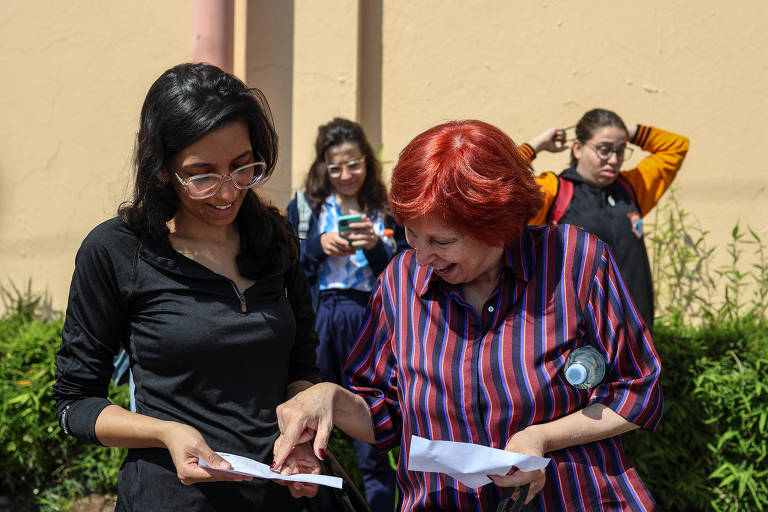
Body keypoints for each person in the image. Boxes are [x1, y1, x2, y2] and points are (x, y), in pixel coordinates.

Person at [272, 120, 664, 511]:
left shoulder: (575, 260)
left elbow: (638, 390)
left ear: (498, 225)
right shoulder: (401, 280)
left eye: (442, 241)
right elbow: (387, 417)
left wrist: (542, 438)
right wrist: (329, 398)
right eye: (410, 234)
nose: (423, 257)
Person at [52, 63, 322, 510]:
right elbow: (74, 402)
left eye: (242, 167)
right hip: (172, 497)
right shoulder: (116, 250)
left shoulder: (276, 237)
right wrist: (165, 431)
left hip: (278, 497)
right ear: (162, 170)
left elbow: (302, 366)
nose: (227, 191)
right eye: (202, 175)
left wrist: (300, 433)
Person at [286, 117, 407, 512]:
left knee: (369, 426)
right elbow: (288, 268)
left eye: (353, 164)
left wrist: (374, 246)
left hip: (368, 319)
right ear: (323, 167)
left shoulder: (387, 207)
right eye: (334, 167)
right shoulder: (306, 206)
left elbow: (403, 270)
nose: (345, 174)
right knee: (309, 428)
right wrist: (319, 245)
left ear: (367, 163)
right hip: (320, 317)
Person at [520, 109, 690, 328]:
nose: (614, 159)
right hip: (576, 333)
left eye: (620, 150)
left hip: (635, 331)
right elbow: (498, 178)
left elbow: (676, 146)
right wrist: (536, 145)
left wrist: (624, 132)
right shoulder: (556, 191)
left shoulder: (632, 188)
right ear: (578, 148)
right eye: (604, 149)